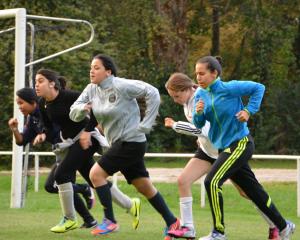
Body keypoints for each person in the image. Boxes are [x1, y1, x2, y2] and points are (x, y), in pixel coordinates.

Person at [69, 54, 180, 239]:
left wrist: (146, 124)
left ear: (108, 71)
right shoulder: (91, 89)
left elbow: (152, 91)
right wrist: (82, 109)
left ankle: (110, 221)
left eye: (97, 67)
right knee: (144, 186)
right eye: (91, 67)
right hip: (120, 143)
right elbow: (74, 112)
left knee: (95, 174)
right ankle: (173, 223)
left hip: (132, 142)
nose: (92, 70)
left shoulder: (120, 85)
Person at [164, 73, 281, 240]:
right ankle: (188, 228)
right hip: (207, 151)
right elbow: (204, 127)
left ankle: (274, 224)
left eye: (176, 96)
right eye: (172, 97)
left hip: (224, 151)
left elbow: (200, 130)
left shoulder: (200, 98)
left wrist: (175, 125)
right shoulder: (188, 101)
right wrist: (200, 140)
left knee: (246, 192)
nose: (175, 100)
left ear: (187, 89)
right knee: (183, 180)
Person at [192, 56, 295, 240]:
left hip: (240, 143)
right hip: (224, 148)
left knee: (212, 182)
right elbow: (199, 123)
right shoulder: (200, 94)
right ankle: (284, 226)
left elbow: (258, 88)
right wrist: (198, 113)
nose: (198, 77)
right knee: (254, 192)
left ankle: (218, 232)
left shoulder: (229, 88)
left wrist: (248, 111)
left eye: (202, 73)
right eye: (196, 74)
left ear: (214, 73)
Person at [34, 69, 141, 233]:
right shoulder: (43, 103)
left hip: (87, 139)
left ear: (52, 83)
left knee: (61, 175)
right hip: (73, 143)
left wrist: (87, 130)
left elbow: (97, 109)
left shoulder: (70, 96)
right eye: (36, 81)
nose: (36, 85)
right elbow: (48, 126)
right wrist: (42, 134)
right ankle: (130, 204)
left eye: (40, 81)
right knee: (94, 180)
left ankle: (69, 219)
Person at [8, 87, 98, 228]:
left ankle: (85, 195)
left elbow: (58, 127)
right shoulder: (32, 119)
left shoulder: (47, 110)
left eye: (21, 103)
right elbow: (21, 141)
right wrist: (14, 129)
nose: (19, 107)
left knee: (56, 184)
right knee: (81, 183)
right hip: (64, 152)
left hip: (71, 148)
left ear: (33, 102)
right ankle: (90, 218)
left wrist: (44, 133)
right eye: (17, 103)